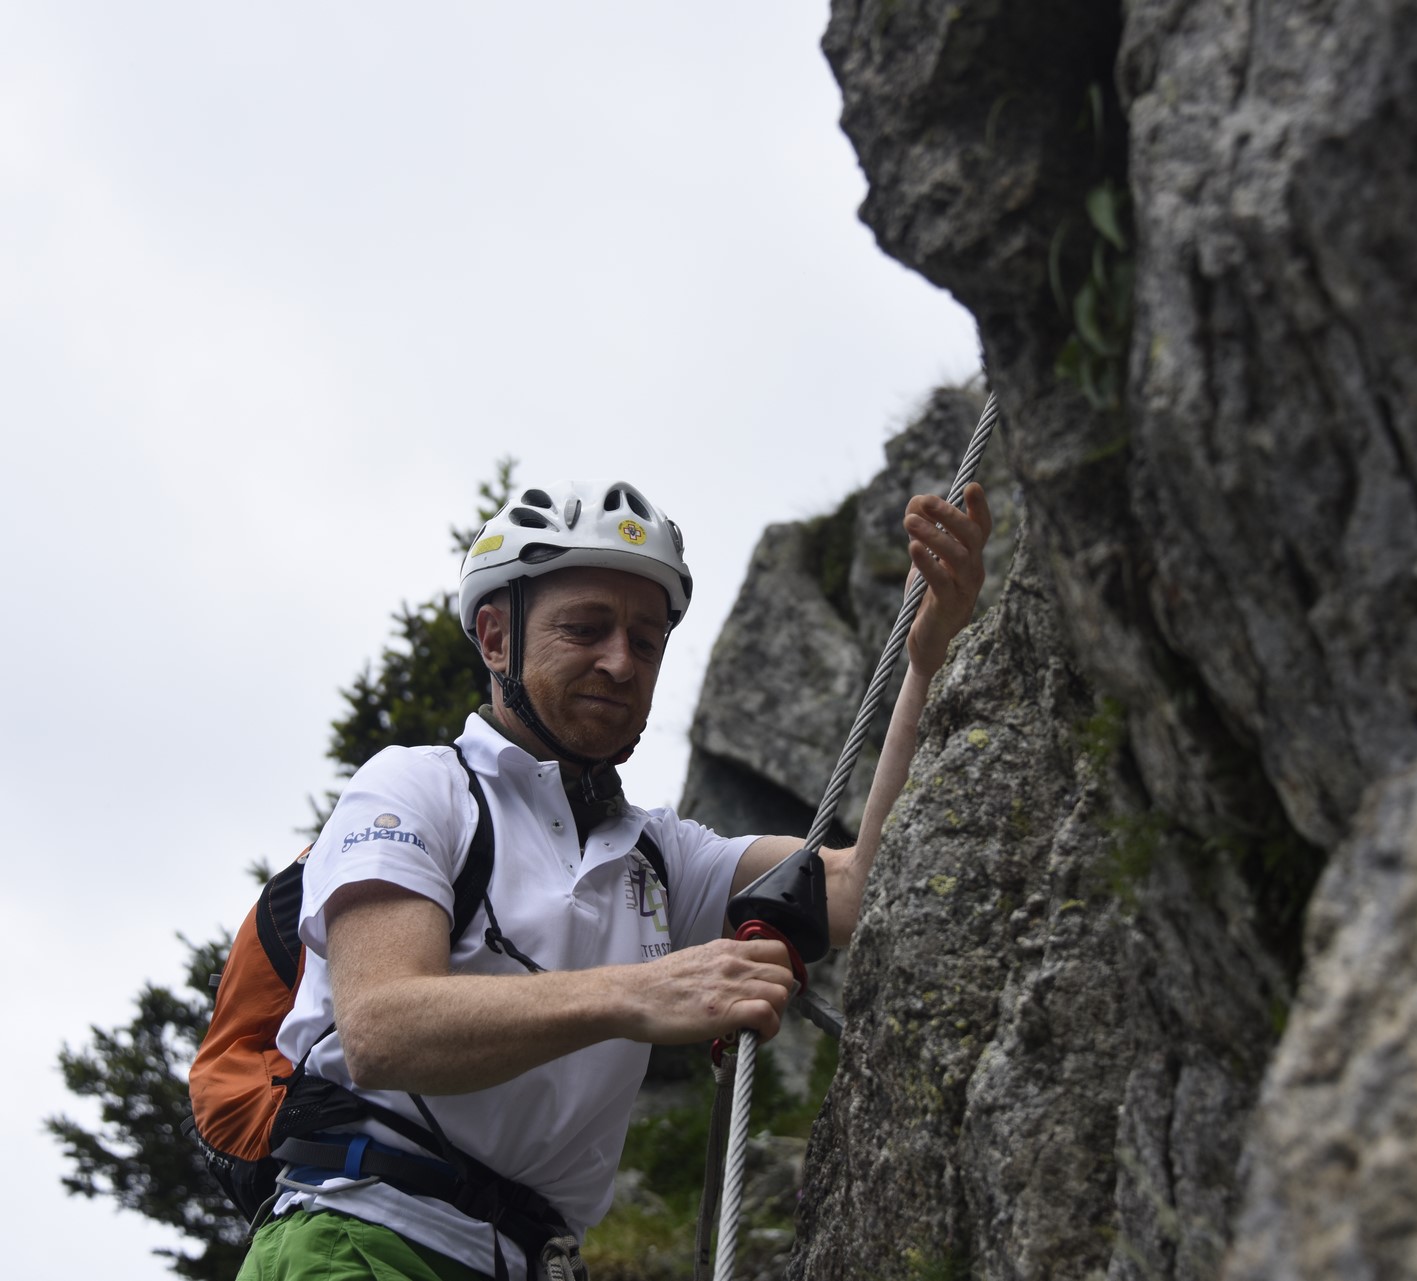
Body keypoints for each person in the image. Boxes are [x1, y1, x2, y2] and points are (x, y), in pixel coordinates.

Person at [238, 477, 992, 1281]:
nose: (621, 660)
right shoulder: (417, 788)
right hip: (357, 1239)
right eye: (587, 628)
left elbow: (863, 889)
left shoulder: (659, 854)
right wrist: (644, 991)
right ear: (495, 637)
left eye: (646, 640)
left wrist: (927, 657)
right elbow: (383, 1028)